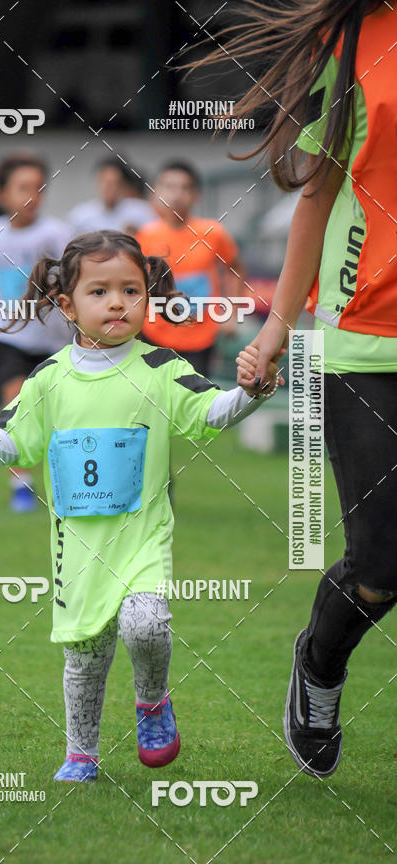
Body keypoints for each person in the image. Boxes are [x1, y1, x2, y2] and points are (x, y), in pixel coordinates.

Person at [0, 230, 283, 782]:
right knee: (84, 657)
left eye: (131, 291)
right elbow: (19, 442)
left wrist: (252, 391)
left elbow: (212, 411)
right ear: (67, 305)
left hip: (141, 541)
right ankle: (81, 754)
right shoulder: (49, 377)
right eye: (100, 292)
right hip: (77, 550)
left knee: (145, 625)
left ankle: (152, 702)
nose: (117, 303)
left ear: (148, 299)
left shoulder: (162, 366)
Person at [190, 0, 397, 777]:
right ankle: (319, 663)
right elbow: (316, 193)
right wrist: (276, 330)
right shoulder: (353, 38)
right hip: (369, 335)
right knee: (380, 563)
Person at [0, 151, 72, 513]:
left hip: (52, 339)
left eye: (38, 188)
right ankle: (20, 486)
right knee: (18, 405)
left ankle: (70, 486)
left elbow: (72, 277)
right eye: (22, 187)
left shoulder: (56, 233)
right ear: (2, 192)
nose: (31, 196)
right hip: (6, 335)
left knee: (56, 417)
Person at [135, 160, 245, 377]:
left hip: (200, 337)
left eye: (185, 188)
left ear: (196, 195)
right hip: (154, 334)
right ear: (156, 192)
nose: (176, 195)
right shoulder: (144, 236)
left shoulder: (214, 233)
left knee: (194, 399)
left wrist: (231, 314)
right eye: (169, 187)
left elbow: (235, 270)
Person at [68, 156, 154, 237]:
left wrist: (138, 235)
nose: (107, 187)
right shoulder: (81, 215)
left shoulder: (141, 212)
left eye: (113, 183)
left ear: (123, 185)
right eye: (103, 181)